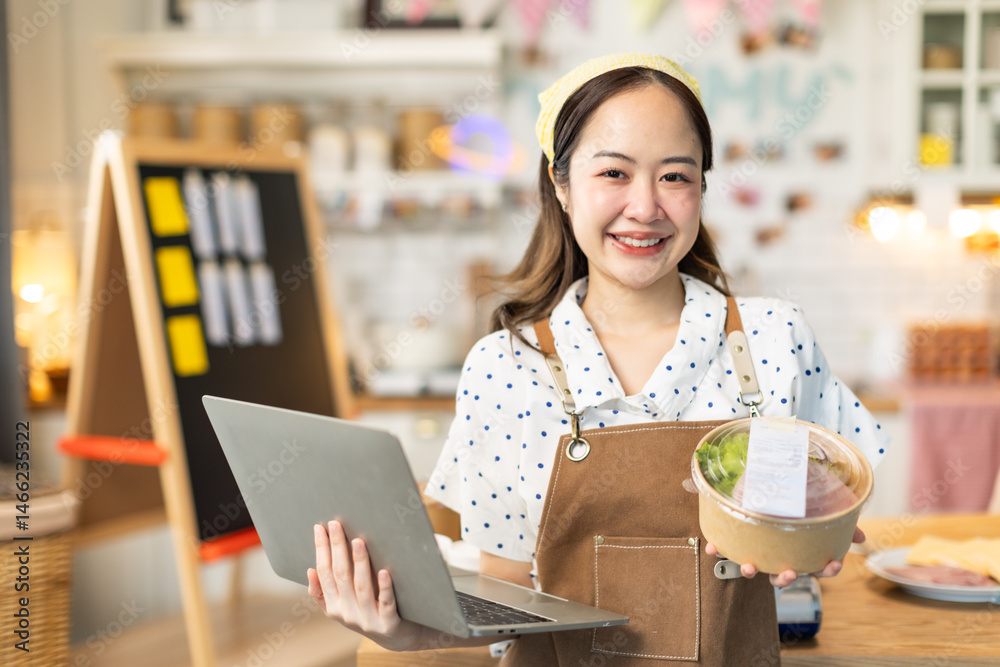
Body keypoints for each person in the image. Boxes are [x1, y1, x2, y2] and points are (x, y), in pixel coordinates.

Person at [307, 53, 889, 665]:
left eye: (675, 176)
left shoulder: (774, 340)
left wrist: (811, 535)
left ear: (701, 188)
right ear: (560, 185)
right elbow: (506, 600)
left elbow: (836, 492)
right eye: (614, 172)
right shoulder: (503, 368)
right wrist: (403, 633)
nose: (645, 207)